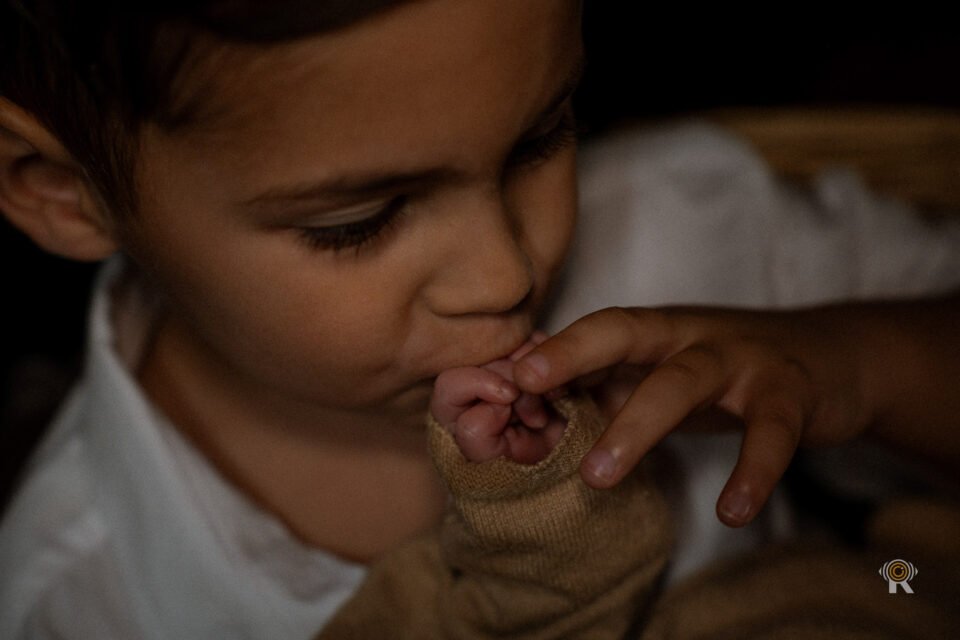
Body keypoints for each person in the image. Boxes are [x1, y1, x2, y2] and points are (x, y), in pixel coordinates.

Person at [1, 1, 959, 638]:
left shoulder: (695, 221)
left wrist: (862, 367)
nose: (507, 271)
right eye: (357, 223)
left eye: (542, 135)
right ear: (64, 190)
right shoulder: (78, 607)